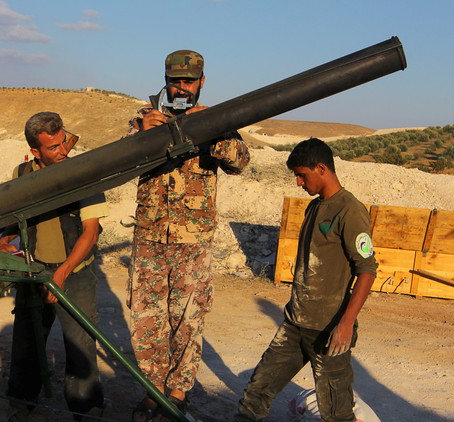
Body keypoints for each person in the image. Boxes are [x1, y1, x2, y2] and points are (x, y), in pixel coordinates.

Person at [125, 50, 250, 421]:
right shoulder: (143, 119)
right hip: (150, 238)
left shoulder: (215, 120)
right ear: (165, 81)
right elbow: (119, 161)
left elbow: (240, 160)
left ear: (201, 82)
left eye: (188, 82)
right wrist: (143, 135)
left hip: (192, 243)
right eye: (174, 81)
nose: (181, 88)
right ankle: (153, 391)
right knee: (146, 318)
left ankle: (178, 392)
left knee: (188, 318)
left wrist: (211, 132)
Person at [235, 138, 379, 422]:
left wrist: (346, 323)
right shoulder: (313, 207)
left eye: (302, 175)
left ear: (321, 168)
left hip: (328, 330)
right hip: (295, 324)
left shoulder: (350, 211)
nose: (299, 183)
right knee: (256, 393)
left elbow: (367, 270)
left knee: (336, 413)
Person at [0, 112, 106, 421]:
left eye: (64, 142)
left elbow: (91, 232)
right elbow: (16, 218)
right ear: (35, 151)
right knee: (26, 346)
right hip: (34, 272)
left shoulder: (82, 172)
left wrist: (62, 273)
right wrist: (4, 240)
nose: (64, 151)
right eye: (54, 147)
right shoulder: (21, 174)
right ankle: (20, 407)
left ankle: (88, 413)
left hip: (75, 274)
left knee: (81, 349)